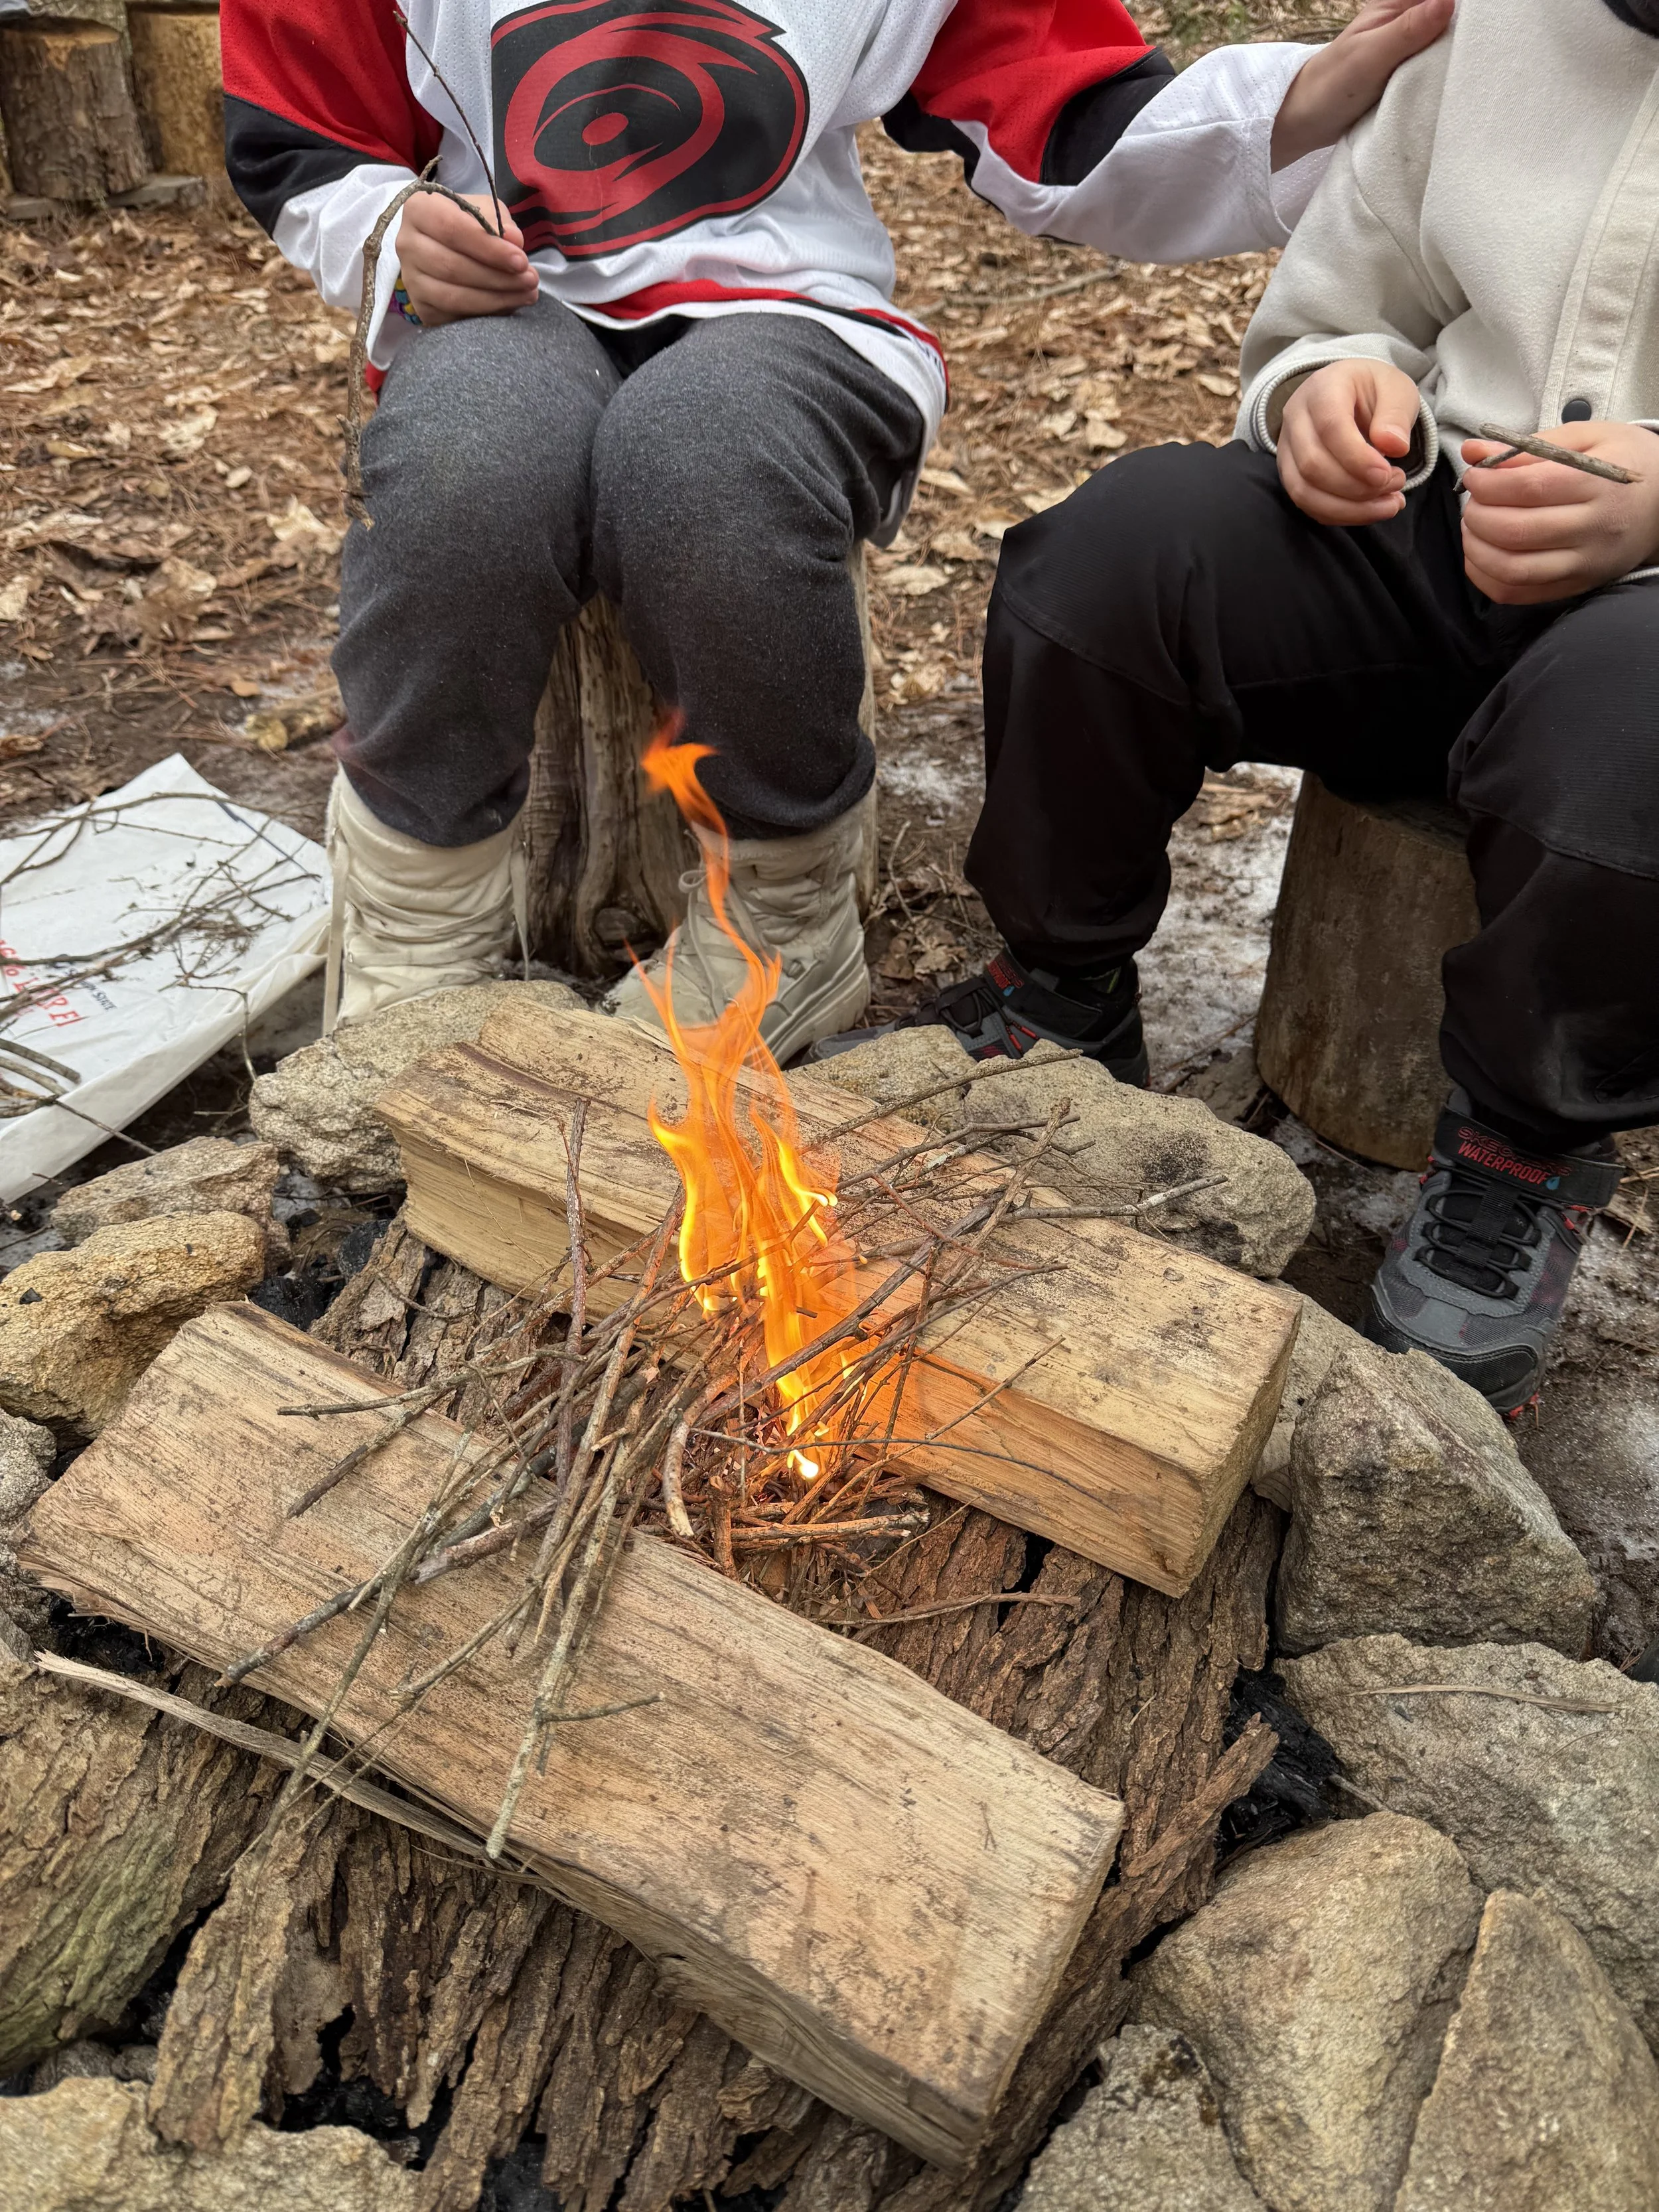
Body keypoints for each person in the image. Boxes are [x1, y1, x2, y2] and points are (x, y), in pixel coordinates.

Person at [220, 0, 1449, 1055]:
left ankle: (780, 908)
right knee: (465, 465)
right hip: (507, 285)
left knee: (706, 459)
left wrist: (1302, 95)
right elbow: (302, 124)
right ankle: (416, 916)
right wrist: (388, 229)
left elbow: (1072, 116)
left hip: (784, 302)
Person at [859, 0, 1659, 1413]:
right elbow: (1351, 296)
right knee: (1108, 566)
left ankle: (1521, 1143)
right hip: (1434, 532)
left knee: (1626, 742)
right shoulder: (1505, 22)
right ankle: (1061, 990)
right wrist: (1325, 386)